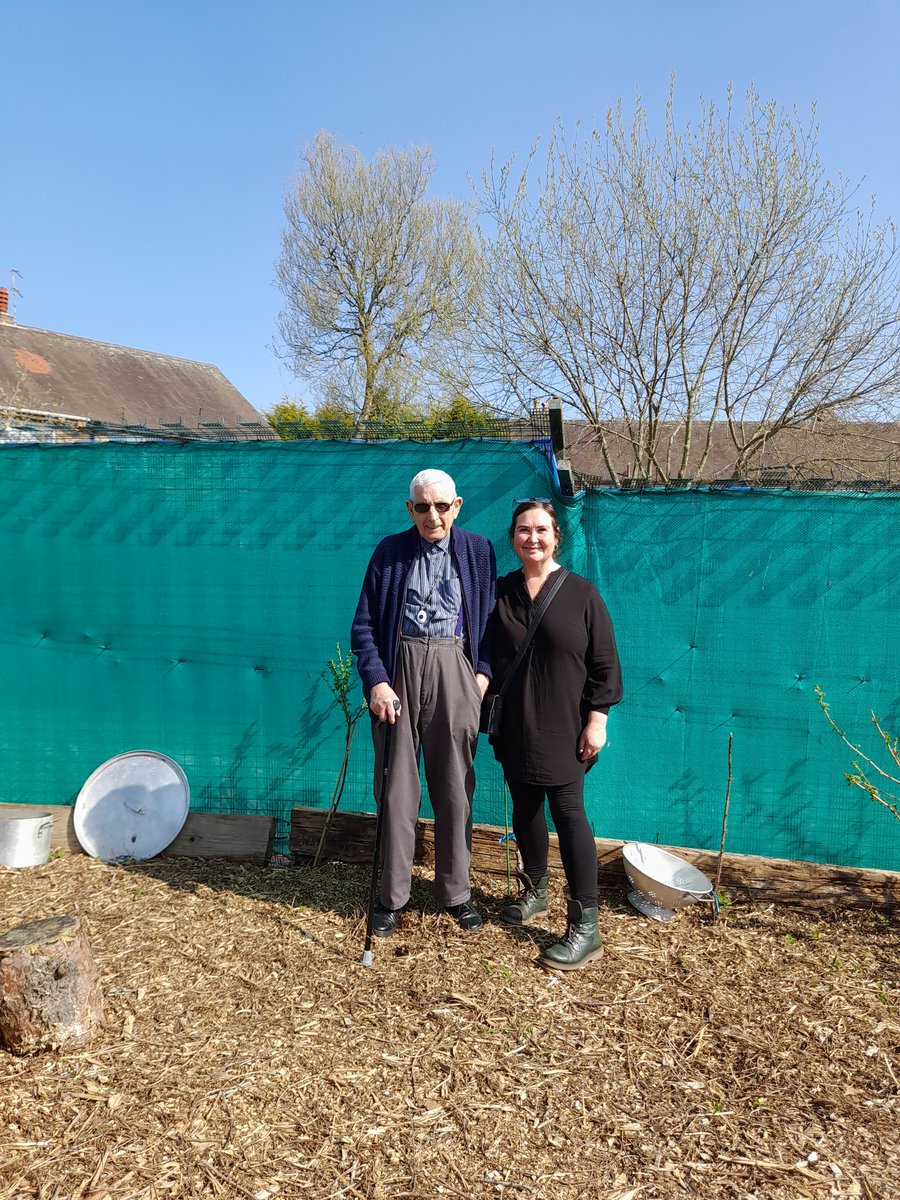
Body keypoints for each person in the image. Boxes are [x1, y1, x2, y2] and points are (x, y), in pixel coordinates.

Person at [351, 468, 496, 936]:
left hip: (455, 668)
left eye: (441, 505)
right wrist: (376, 681)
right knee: (397, 790)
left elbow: (491, 623)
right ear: (409, 509)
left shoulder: (477, 551)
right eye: (422, 506)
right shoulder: (389, 552)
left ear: (457, 506)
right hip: (400, 672)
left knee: (455, 787)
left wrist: (480, 677)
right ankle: (392, 896)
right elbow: (364, 628)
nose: (432, 515)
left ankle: (456, 893)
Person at [487, 499, 622, 969]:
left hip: (566, 726)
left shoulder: (582, 594)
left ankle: (586, 927)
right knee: (525, 809)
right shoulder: (500, 591)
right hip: (516, 724)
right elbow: (485, 653)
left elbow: (605, 661)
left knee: (569, 816)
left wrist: (598, 718)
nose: (533, 538)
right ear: (513, 538)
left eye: (541, 529)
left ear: (556, 536)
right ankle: (535, 891)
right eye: (523, 530)